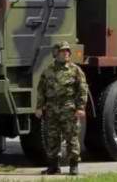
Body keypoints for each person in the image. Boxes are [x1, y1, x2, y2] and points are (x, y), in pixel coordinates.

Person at [35, 41, 89, 176]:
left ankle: (73, 166)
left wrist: (80, 107)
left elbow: (82, 89)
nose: (66, 53)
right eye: (63, 51)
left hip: (68, 108)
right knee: (52, 137)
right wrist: (39, 107)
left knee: (71, 137)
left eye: (67, 51)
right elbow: (41, 89)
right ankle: (53, 166)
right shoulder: (47, 70)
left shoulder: (75, 70)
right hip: (51, 109)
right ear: (56, 53)